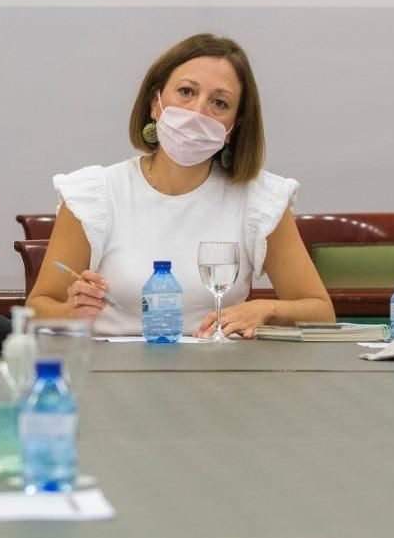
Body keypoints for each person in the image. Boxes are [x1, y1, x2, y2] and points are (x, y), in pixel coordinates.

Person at [25, 33, 334, 338]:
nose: (198, 111)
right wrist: (71, 311)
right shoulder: (95, 193)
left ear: (232, 129)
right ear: (155, 103)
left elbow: (321, 311)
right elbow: (36, 309)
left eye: (219, 103)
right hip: (111, 374)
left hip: (221, 375)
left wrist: (266, 310)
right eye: (186, 91)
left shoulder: (259, 200)